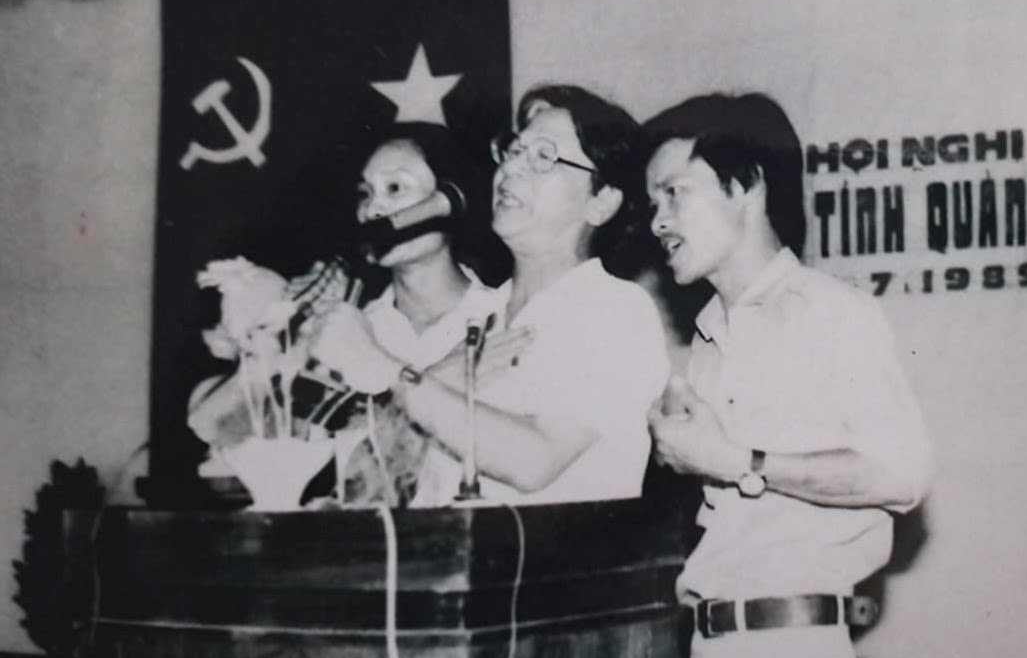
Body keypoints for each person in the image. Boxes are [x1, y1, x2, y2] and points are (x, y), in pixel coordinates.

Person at [641, 93, 933, 658]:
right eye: (653, 203)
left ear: (746, 183)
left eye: (674, 193)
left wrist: (736, 461)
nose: (658, 221)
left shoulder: (829, 310)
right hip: (709, 644)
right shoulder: (706, 341)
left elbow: (901, 473)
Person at [310, 84, 670, 504]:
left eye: (543, 156)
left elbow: (534, 461)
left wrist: (389, 371)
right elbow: (367, 486)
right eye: (513, 150)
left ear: (601, 203)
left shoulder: (615, 310)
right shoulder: (477, 317)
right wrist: (430, 380)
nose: (512, 167)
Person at [188, 122, 516, 507]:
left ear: (448, 199)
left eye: (395, 188)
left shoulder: (502, 317)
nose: (373, 209)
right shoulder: (350, 330)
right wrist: (280, 344)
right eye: (366, 193)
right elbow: (209, 427)